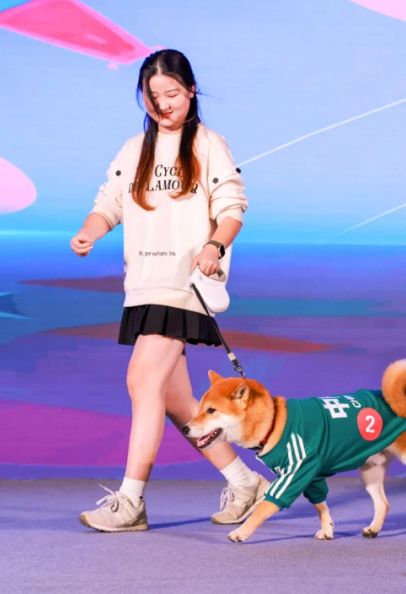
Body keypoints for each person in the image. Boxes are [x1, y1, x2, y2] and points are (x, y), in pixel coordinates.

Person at [71, 49, 269, 532]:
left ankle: (130, 500)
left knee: (142, 382)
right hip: (142, 285)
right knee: (178, 400)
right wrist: (89, 232)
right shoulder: (133, 149)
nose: (163, 104)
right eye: (153, 95)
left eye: (172, 94)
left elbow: (232, 208)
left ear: (191, 91)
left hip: (183, 286)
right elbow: (110, 203)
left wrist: (214, 246)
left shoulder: (207, 144)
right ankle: (245, 482)